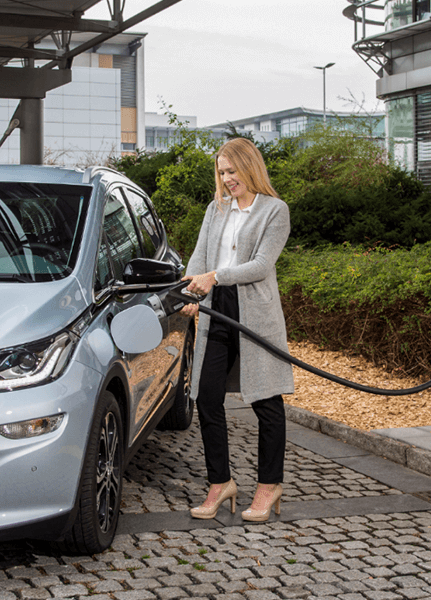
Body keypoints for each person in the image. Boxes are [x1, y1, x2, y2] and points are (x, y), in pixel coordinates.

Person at [180, 137, 294, 522]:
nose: (227, 179)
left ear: (249, 167)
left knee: (265, 399)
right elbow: (200, 254)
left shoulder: (274, 211)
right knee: (207, 397)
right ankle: (220, 483)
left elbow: (262, 265)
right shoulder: (217, 208)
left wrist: (215, 276)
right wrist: (191, 288)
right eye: (222, 172)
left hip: (254, 313)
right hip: (217, 310)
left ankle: (269, 485)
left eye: (232, 171)